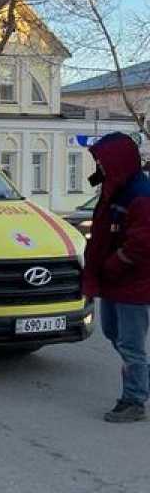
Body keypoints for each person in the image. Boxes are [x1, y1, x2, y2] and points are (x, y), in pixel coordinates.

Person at [82, 133, 150, 422]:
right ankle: (142, 375)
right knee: (114, 334)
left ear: (117, 161)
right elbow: (100, 236)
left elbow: (142, 243)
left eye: (102, 160)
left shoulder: (140, 195)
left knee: (130, 344)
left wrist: (113, 264)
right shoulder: (114, 189)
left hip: (133, 284)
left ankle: (134, 401)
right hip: (113, 281)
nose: (99, 166)